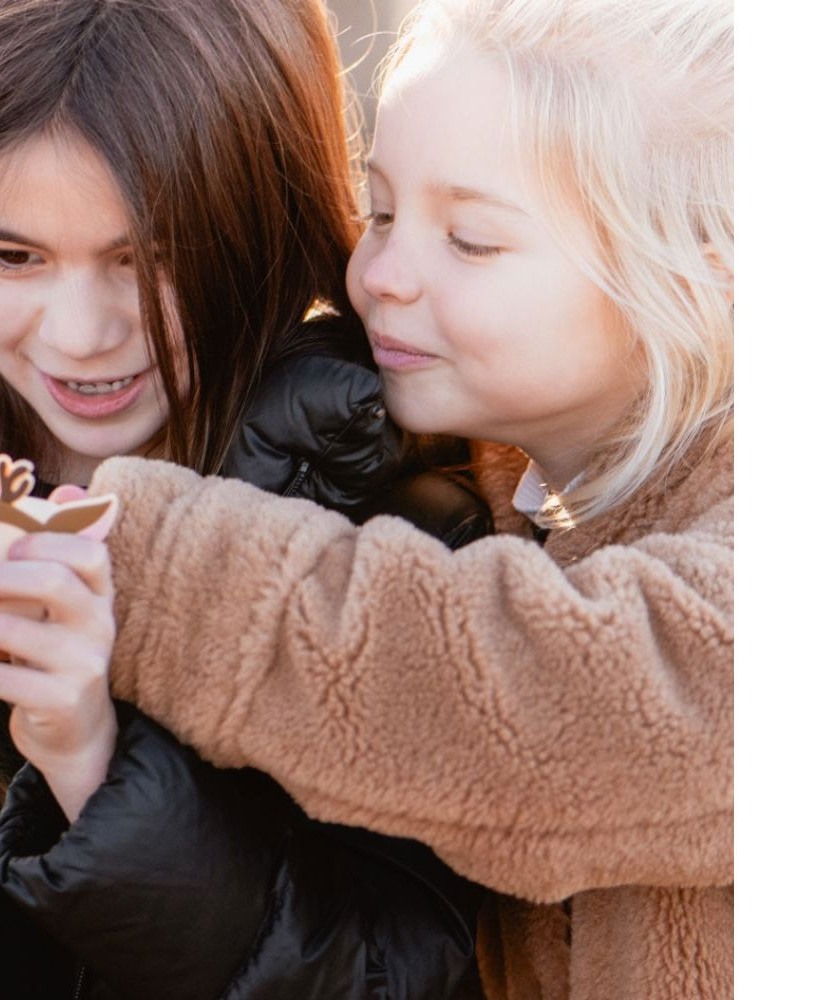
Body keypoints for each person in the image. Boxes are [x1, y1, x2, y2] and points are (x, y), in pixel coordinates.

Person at [0, 1, 492, 997]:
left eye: (152, 257)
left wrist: (100, 773)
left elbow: (415, 972)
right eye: (11, 256)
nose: (81, 333)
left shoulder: (399, 534)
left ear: (264, 217)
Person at [81, 1, 735, 998]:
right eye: (380, 210)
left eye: (470, 240)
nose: (379, 276)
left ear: (701, 276)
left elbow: (555, 701)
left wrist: (150, 566)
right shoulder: (516, 482)